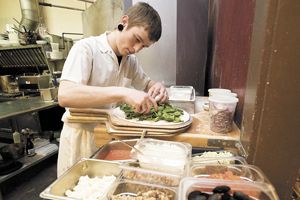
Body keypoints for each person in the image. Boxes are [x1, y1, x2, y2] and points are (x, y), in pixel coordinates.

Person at [57, 2, 168, 177]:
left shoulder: (129, 60)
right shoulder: (87, 49)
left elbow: (146, 83)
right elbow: (65, 95)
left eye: (144, 46)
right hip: (82, 137)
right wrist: (123, 93)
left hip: (109, 137)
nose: (136, 49)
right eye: (137, 39)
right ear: (124, 22)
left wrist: (157, 86)